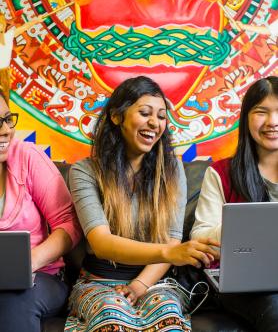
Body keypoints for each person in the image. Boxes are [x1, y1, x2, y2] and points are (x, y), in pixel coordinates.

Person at [65, 76, 219, 331]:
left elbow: (171, 239)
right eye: (145, 113)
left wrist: (139, 285)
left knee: (167, 319)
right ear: (117, 117)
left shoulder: (172, 169)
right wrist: (169, 253)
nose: (154, 123)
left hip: (154, 283)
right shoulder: (84, 171)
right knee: (112, 318)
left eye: (161, 116)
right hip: (98, 282)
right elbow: (101, 243)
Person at [191, 76, 278, 332]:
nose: (272, 122)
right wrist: (242, 228)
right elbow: (200, 236)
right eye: (261, 112)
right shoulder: (221, 172)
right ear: (246, 118)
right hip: (246, 285)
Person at [0, 89, 81, 332]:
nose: (5, 130)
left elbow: (70, 224)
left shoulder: (28, 157)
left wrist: (28, 262)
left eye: (6, 119)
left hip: (40, 278)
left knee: (13, 299)